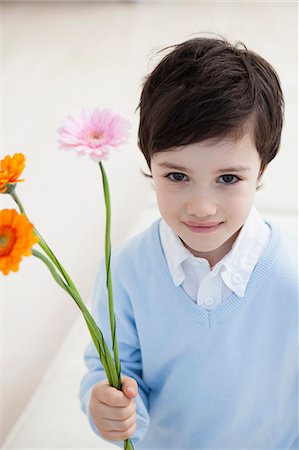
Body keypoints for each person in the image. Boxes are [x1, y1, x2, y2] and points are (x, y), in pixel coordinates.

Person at [79, 36, 298, 449]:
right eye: (176, 176)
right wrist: (106, 403)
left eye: (228, 179)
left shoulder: (291, 277)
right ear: (149, 163)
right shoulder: (125, 272)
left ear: (262, 168)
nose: (201, 207)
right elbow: (112, 368)